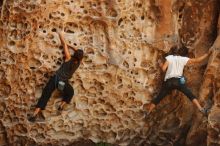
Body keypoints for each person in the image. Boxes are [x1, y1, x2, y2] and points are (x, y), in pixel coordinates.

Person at [28, 32, 84, 122]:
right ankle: (61, 106)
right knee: (70, 92)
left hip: (55, 79)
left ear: (75, 54)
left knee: (45, 95)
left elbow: (64, 44)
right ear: (81, 58)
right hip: (62, 84)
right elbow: (78, 53)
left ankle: (35, 114)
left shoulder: (68, 58)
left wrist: (60, 35)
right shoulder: (78, 63)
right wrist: (74, 49)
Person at [145, 45, 213, 116]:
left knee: (159, 97)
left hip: (169, 82)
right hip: (178, 81)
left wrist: (160, 64)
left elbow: (163, 69)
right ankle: (201, 109)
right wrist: (207, 54)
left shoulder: (170, 58)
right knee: (190, 94)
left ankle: (148, 112)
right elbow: (197, 60)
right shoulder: (183, 59)